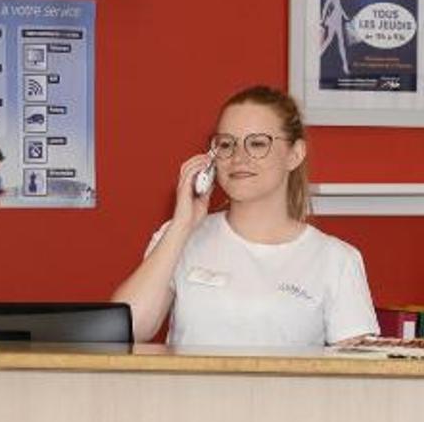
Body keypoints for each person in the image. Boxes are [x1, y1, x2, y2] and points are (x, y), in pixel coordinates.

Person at [112, 86, 377, 350]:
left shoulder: (336, 259)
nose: (238, 158)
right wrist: (182, 225)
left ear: (295, 154)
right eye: (226, 144)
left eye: (257, 143)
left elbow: (361, 370)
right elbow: (123, 333)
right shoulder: (178, 237)